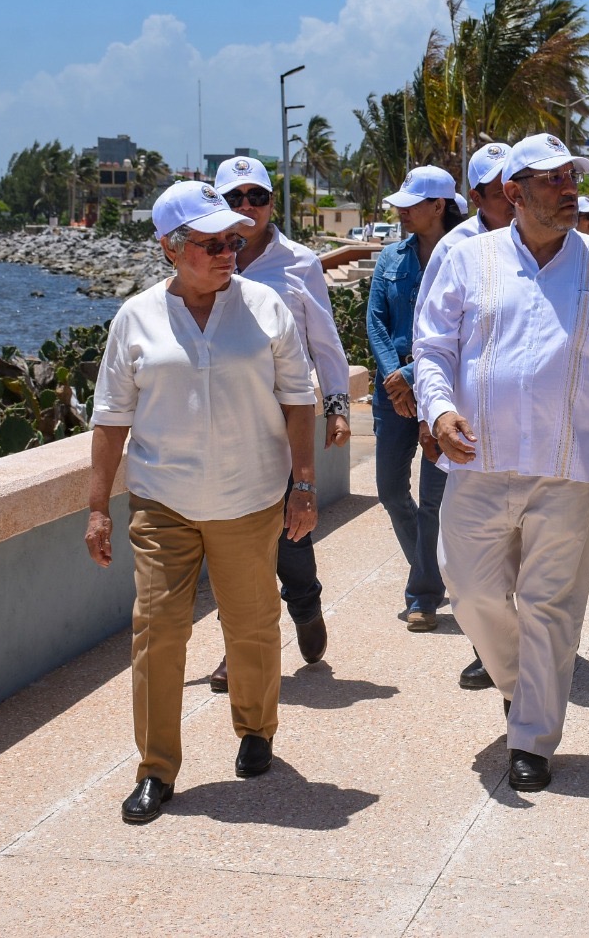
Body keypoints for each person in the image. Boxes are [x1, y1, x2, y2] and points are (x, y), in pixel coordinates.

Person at [414, 133, 589, 792]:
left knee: (552, 605)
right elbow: (431, 347)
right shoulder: (469, 259)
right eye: (550, 180)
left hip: (569, 466)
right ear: (513, 192)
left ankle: (533, 739)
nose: (568, 188)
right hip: (478, 460)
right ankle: (524, 685)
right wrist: (437, 409)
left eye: (571, 176)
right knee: (470, 589)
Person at [83, 180, 318, 824]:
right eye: (211, 243)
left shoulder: (266, 306)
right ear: (170, 247)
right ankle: (157, 768)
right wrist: (99, 506)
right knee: (157, 632)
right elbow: (110, 419)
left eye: (232, 241)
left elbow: (300, 399)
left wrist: (303, 484)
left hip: (250, 499)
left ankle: (255, 730)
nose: (228, 252)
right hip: (163, 504)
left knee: (251, 625)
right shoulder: (135, 317)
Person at [205, 156, 349, 694]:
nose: (245, 208)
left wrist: (336, 409)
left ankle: (306, 605)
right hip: (220, 422)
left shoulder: (299, 262)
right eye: (233, 198)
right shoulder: (203, 257)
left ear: (270, 203)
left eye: (256, 197)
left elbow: (324, 341)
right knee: (232, 538)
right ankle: (233, 649)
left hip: (284, 418)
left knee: (289, 535)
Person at [410, 142, 513, 690]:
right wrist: (432, 415)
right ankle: (485, 646)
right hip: (467, 429)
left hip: (526, 428)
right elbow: (430, 337)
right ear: (475, 197)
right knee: (476, 551)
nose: (514, 198)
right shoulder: (456, 248)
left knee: (521, 547)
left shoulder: (543, 241)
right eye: (501, 191)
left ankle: (516, 644)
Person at [369, 166, 465, 632]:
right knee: (389, 488)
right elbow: (375, 322)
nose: (401, 211)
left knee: (433, 499)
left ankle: (422, 595)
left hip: (440, 389)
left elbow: (460, 328)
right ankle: (428, 568)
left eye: (411, 204)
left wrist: (412, 375)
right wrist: (394, 376)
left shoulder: (463, 255)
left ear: (438, 206)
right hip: (393, 394)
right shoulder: (390, 259)